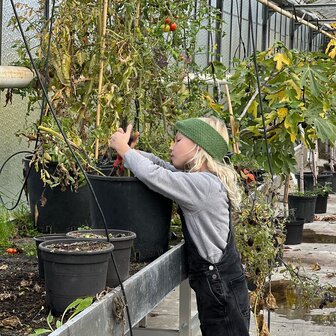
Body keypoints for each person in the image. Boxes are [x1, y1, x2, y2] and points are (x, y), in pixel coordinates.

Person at [109, 116, 250, 336]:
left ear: (198, 146)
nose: (172, 146)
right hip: (223, 285)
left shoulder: (202, 186)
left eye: (178, 140)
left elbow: (155, 175)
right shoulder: (203, 180)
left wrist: (125, 150)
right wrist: (128, 153)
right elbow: (160, 165)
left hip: (221, 291)